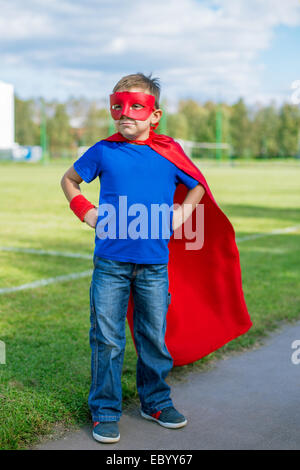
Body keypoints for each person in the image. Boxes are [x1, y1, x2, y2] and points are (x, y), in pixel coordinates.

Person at [60, 73, 205, 443]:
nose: (126, 115)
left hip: (154, 266)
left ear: (154, 115)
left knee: (153, 336)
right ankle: (105, 410)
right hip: (110, 264)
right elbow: (69, 180)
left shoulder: (169, 152)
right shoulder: (103, 151)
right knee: (107, 339)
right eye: (118, 107)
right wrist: (86, 212)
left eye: (136, 107)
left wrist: (180, 216)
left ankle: (155, 401)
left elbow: (197, 185)